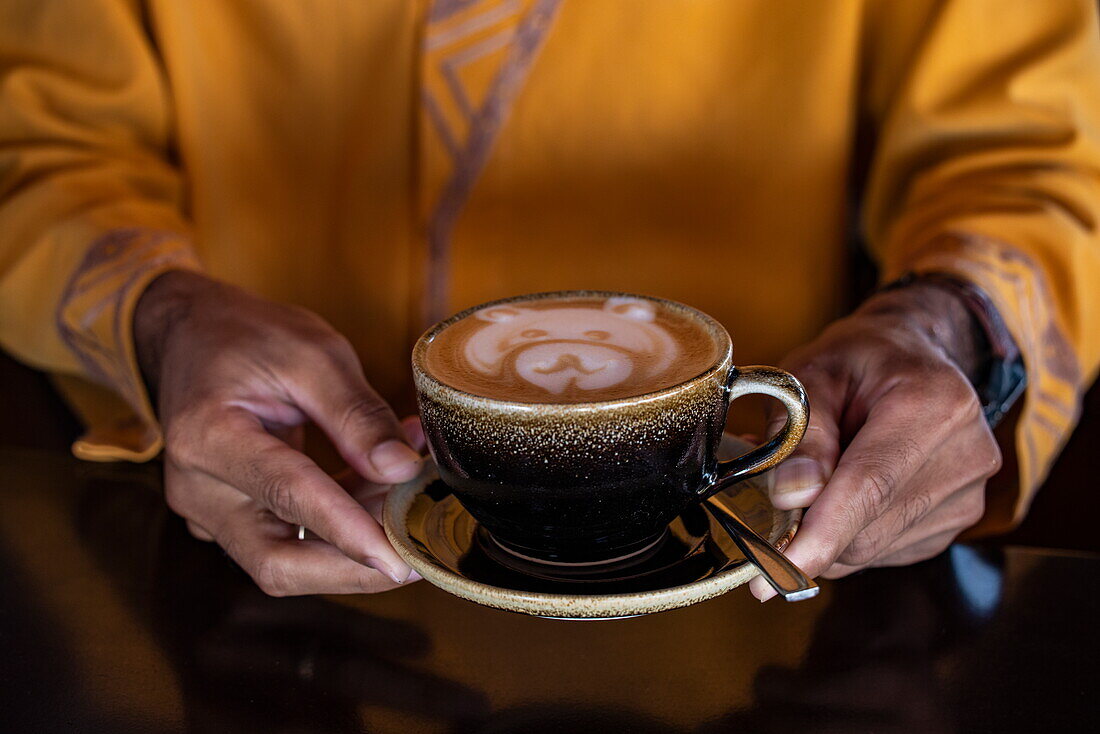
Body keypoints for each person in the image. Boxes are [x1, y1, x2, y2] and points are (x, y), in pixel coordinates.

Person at [1, 0, 1098, 599]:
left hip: (754, 623)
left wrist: (946, 327)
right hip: (239, 550)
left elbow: (1032, 163)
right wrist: (159, 315)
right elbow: (43, 144)